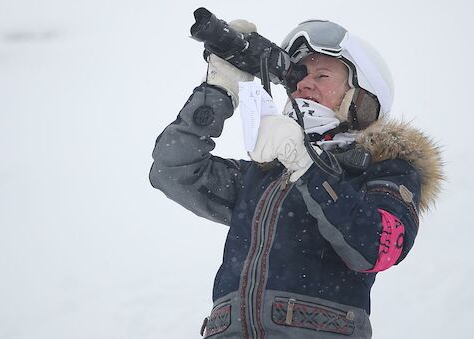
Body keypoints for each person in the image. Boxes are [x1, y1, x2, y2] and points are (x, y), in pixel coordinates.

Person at [149, 18, 443, 338]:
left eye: (322, 74)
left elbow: (378, 248)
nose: (303, 85)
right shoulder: (264, 177)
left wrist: (308, 165)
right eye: (298, 77)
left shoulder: (386, 170)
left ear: (361, 95)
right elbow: (173, 170)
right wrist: (219, 90)